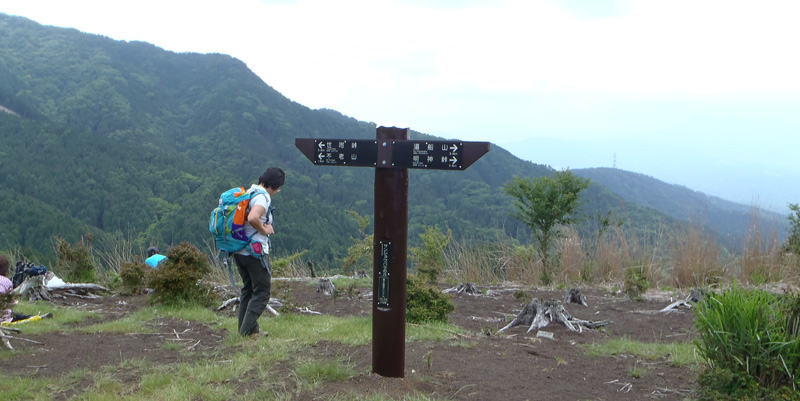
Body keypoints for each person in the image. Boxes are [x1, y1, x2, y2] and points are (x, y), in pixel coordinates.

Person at [234, 167, 284, 338]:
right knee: (262, 291)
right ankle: (247, 331)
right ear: (276, 186)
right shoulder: (263, 197)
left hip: (239, 250)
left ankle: (247, 330)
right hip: (254, 252)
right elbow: (253, 217)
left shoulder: (250, 192)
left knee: (248, 289)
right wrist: (265, 229)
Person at [1, 255, 52, 324]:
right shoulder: (7, 282)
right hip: (4, 317)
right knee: (18, 316)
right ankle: (33, 317)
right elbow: (11, 302)